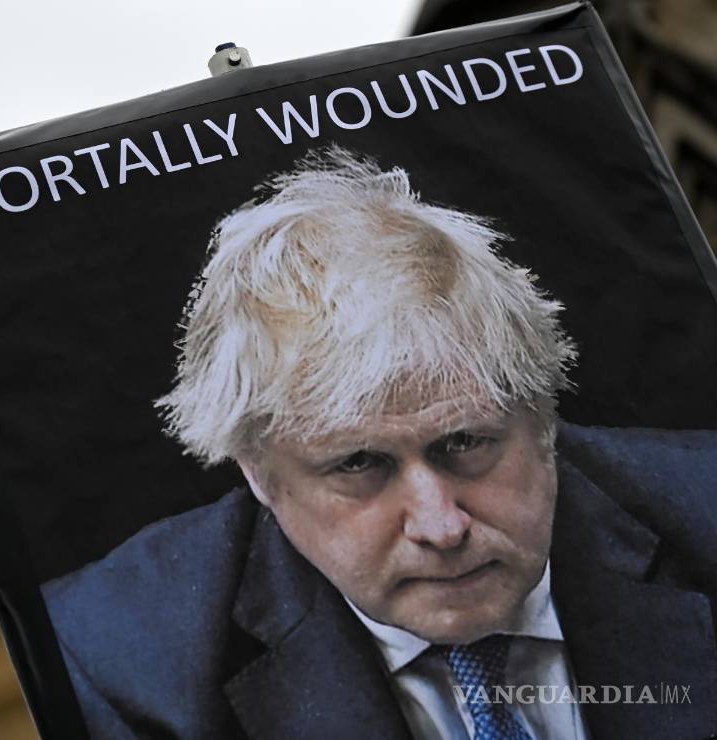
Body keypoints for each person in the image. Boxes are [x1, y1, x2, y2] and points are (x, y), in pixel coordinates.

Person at [42, 148, 717, 740]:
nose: (441, 526)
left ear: (541, 421)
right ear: (259, 475)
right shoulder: (120, 657)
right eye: (360, 464)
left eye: (465, 442)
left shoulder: (703, 509)